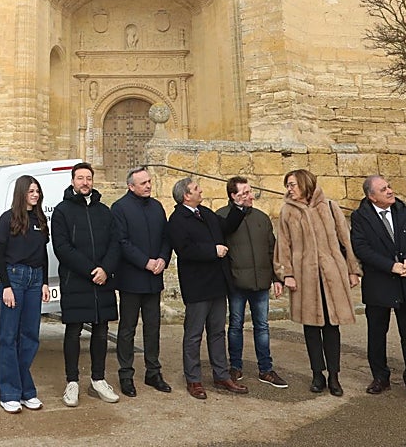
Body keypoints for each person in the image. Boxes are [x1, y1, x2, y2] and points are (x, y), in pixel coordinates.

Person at [274, 169, 361, 397]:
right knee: (311, 328)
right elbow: (283, 246)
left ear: (304, 184)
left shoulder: (330, 207)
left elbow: (345, 239)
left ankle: (334, 375)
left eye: (292, 184)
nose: (289, 189)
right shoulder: (287, 212)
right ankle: (317, 374)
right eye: (288, 185)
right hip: (305, 277)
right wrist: (287, 274)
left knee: (332, 327)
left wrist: (353, 269)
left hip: (332, 274)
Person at [349, 174, 406, 403]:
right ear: (371, 196)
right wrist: (390, 266)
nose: (389, 191)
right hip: (380, 283)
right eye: (383, 189)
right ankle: (380, 377)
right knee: (377, 333)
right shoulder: (361, 218)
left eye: (389, 187)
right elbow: (361, 247)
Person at [168, 177, 247, 399]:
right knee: (194, 335)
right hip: (197, 286)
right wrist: (212, 251)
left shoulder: (205, 212)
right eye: (196, 189)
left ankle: (221, 375)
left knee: (217, 332)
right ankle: (193, 380)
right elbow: (185, 250)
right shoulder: (177, 220)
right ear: (186, 195)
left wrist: (239, 206)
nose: (200, 191)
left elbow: (227, 226)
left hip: (217, 284)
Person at [50, 162, 121, 407]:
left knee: (101, 331)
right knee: (73, 331)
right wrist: (91, 270)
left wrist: (105, 269)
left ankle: (98, 380)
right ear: (72, 181)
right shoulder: (62, 211)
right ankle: (72, 382)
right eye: (80, 178)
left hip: (103, 280)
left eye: (88, 178)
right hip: (76, 280)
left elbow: (115, 244)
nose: (85, 182)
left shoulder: (104, 211)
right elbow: (62, 247)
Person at [216, 176, 287, 388]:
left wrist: (277, 278)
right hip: (238, 283)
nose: (250, 195)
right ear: (233, 196)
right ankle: (235, 366)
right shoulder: (222, 216)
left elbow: (271, 250)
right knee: (236, 325)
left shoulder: (262, 218)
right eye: (244, 193)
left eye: (250, 191)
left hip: (261, 282)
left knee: (262, 327)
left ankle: (265, 369)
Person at [111, 166, 172, 396]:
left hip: (154, 278)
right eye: (143, 183)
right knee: (127, 329)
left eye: (149, 181)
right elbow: (122, 242)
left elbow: (166, 237)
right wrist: (145, 262)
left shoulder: (157, 207)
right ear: (131, 186)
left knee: (153, 327)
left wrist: (163, 259)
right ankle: (126, 374)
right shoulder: (120, 208)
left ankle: (153, 371)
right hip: (131, 279)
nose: (148, 185)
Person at [0, 175, 51, 413]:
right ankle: (8, 392)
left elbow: (44, 254)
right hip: (14, 279)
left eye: (37, 191)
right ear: (21, 193)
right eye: (30, 191)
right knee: (9, 336)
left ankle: (25, 390)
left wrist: (45, 282)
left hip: (35, 279)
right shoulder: (7, 219)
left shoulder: (40, 218)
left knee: (30, 335)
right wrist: (5, 285)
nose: (35, 195)